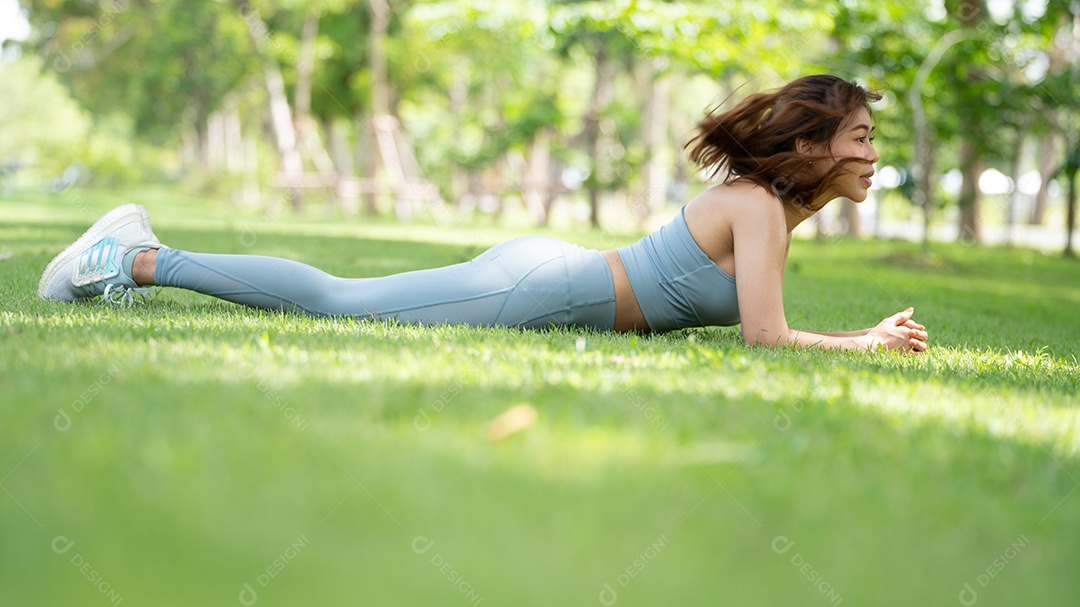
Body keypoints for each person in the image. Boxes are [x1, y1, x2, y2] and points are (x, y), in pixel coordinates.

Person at [39, 74, 928, 353]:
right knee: (342, 303)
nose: (873, 153)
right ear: (811, 144)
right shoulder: (762, 210)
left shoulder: (770, 203)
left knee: (350, 299)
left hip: (554, 274)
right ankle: (137, 256)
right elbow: (765, 338)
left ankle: (141, 255)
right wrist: (866, 343)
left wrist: (828, 183)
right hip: (544, 290)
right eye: (858, 136)